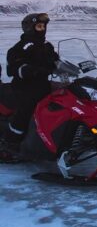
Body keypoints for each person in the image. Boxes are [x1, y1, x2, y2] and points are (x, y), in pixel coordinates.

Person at [4, 13, 59, 144]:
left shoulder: (47, 45)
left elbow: (56, 59)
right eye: (39, 27)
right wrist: (31, 70)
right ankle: (11, 143)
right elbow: (13, 68)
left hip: (43, 85)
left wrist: (66, 67)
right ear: (29, 28)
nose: (42, 29)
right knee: (26, 110)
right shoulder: (20, 47)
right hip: (24, 87)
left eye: (43, 27)